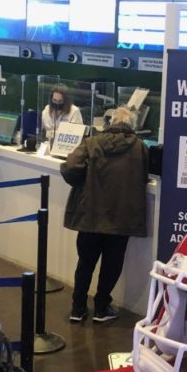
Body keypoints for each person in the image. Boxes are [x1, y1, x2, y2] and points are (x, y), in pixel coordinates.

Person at [60, 105, 148, 323]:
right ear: (132, 126)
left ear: (110, 123)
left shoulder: (91, 143)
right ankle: (101, 308)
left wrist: (82, 181)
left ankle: (78, 308)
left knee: (85, 263)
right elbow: (144, 175)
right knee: (112, 264)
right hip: (121, 218)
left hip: (90, 215)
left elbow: (70, 167)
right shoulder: (140, 148)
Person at [41, 85, 83, 150]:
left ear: (66, 101)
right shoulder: (46, 111)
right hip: (48, 147)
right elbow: (41, 132)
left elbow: (77, 136)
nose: (57, 103)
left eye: (60, 101)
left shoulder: (74, 111)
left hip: (67, 148)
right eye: (54, 100)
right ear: (51, 99)